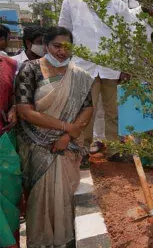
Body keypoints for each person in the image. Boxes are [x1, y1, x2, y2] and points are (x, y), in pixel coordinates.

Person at [15, 26, 94, 247]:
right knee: (39, 199)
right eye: (56, 46)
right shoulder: (29, 69)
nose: (61, 51)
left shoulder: (79, 75)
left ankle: (65, 240)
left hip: (65, 146)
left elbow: (87, 108)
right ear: (46, 45)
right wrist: (66, 126)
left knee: (65, 196)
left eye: (67, 47)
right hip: (36, 145)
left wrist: (67, 136)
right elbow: (24, 110)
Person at [58, 0, 134, 160]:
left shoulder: (118, 5)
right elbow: (63, 32)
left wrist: (127, 65)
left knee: (114, 112)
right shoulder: (72, 1)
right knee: (84, 112)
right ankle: (82, 151)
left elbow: (128, 37)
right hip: (83, 67)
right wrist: (64, 63)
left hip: (112, 67)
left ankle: (115, 151)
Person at [0, 54, 21, 248]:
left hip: (4, 143)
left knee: (10, 204)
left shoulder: (9, 64)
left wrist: (14, 107)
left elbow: (15, 95)